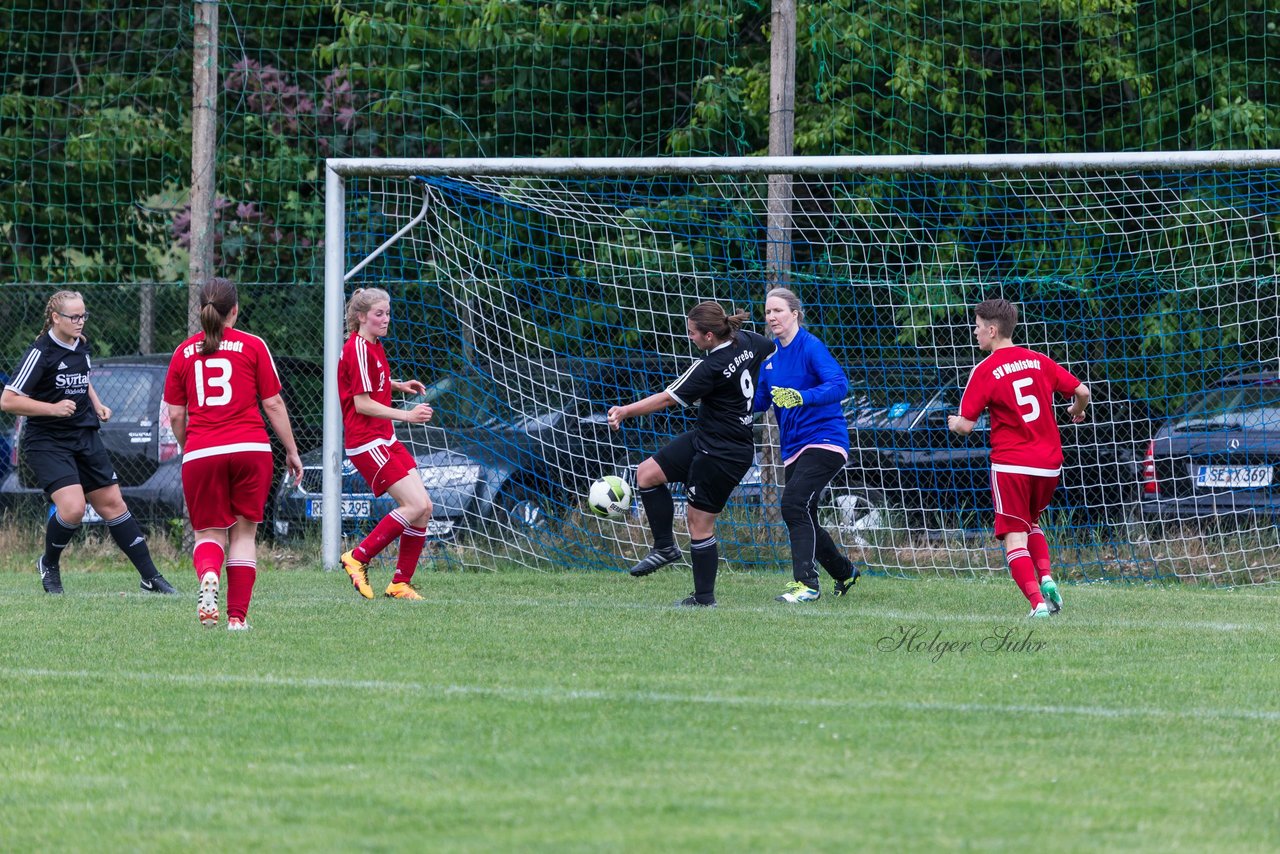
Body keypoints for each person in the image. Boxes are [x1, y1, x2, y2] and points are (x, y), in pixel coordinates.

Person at [1, 290, 178, 595]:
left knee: (113, 504)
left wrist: (96, 404)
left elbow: (83, 377)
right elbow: (8, 400)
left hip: (84, 436)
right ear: (56, 318)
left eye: (84, 315)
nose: (81, 322)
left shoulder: (79, 345)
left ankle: (151, 577)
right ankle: (49, 563)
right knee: (72, 509)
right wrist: (52, 409)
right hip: (48, 442)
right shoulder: (40, 353)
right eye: (74, 316)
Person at [608, 301, 773, 607]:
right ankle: (665, 547)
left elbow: (666, 399)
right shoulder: (747, 340)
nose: (690, 338)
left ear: (709, 336)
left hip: (725, 452)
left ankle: (704, 598)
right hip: (705, 437)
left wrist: (624, 411)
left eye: (693, 333)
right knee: (646, 474)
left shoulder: (708, 367)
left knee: (699, 523)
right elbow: (772, 350)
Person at [164, 278, 304, 630]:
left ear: (201, 310)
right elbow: (272, 403)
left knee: (209, 534)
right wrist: (291, 450)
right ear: (235, 311)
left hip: (203, 451)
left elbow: (177, 414)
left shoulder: (182, 352)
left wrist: (188, 448)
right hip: (250, 449)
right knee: (243, 535)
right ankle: (237, 619)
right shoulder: (253, 345)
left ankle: (209, 574)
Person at [947, 298, 1090, 618]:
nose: (974, 332)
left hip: (1012, 465)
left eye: (978, 327)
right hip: (1049, 464)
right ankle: (1048, 577)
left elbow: (967, 426)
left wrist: (955, 423)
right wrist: (1075, 412)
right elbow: (1082, 392)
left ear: (993, 330)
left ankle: (1038, 603)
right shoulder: (1039, 360)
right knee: (1032, 523)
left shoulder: (984, 370)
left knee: (1014, 536)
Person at [752, 287, 862, 603]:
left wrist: (804, 396)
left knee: (793, 504)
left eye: (778, 311)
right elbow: (760, 400)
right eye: (768, 312)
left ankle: (807, 585)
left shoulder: (810, 346)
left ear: (795, 314)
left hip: (826, 440)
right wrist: (728, 401)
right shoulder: (770, 356)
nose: (772, 317)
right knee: (805, 516)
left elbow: (839, 384)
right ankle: (843, 571)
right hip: (794, 447)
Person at [337, 287, 434, 601]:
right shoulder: (357, 348)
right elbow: (362, 403)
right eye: (379, 314)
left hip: (383, 437)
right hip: (367, 442)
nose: (385, 319)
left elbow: (371, 379)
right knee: (415, 505)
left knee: (424, 509)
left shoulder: (373, 345)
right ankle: (358, 557)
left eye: (387, 313)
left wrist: (398, 386)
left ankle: (399, 584)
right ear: (361, 317)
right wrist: (406, 415)